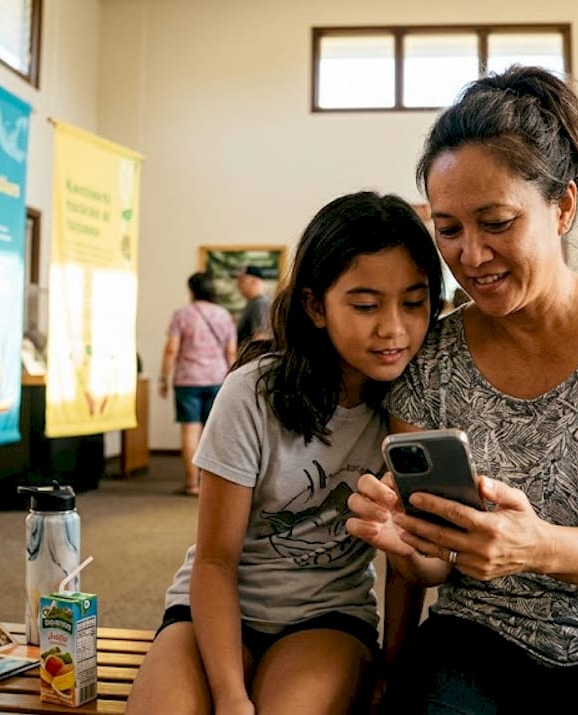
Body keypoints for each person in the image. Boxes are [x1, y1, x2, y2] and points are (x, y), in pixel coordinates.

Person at [347, 66, 578, 713]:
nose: (470, 254)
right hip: (482, 630)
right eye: (448, 228)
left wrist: (537, 545)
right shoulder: (433, 354)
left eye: (495, 221)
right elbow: (437, 562)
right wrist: (408, 548)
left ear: (563, 206)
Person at [127, 191, 445, 715]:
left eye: (414, 302)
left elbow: (404, 562)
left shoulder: (412, 403)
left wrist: (393, 667)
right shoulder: (252, 392)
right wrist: (230, 696)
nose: (393, 328)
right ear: (316, 306)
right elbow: (213, 559)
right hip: (212, 607)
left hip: (327, 616)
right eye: (365, 305)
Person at [158, 272, 238, 496]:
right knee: (212, 432)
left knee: (190, 430)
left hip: (187, 380)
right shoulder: (224, 315)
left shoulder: (182, 314)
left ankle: (193, 484)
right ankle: (210, 484)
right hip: (217, 378)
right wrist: (234, 379)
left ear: (191, 290)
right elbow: (231, 350)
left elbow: (171, 349)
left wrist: (164, 377)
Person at [234, 265, 272, 346]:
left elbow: (261, 337)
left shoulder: (260, 303)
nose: (238, 285)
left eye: (242, 281)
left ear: (255, 281)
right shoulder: (253, 302)